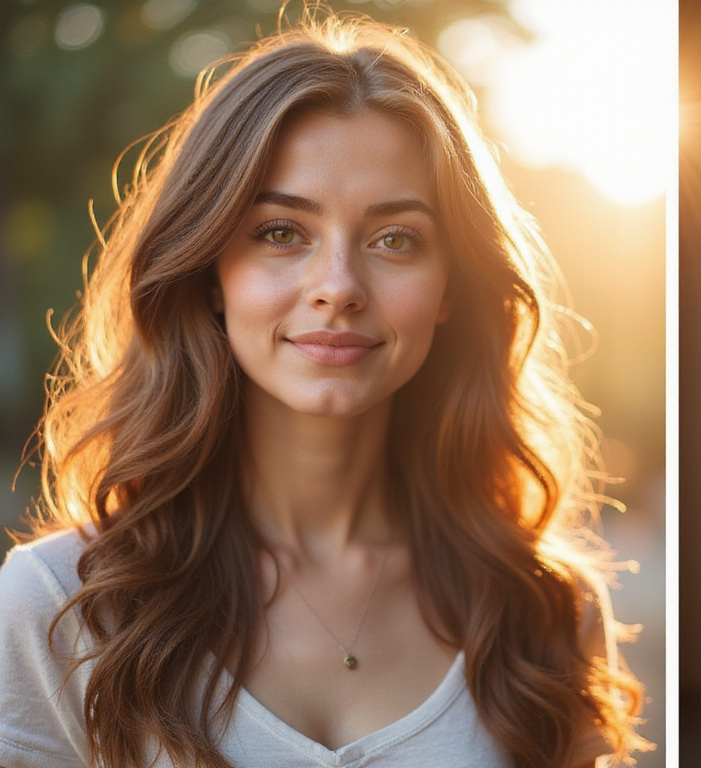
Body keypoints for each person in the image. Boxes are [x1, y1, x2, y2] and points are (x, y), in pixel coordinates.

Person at [0, 11, 644, 768]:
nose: (337, 287)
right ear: (211, 272)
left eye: (394, 240)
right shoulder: (58, 605)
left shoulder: (545, 609)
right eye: (281, 232)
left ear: (449, 289)